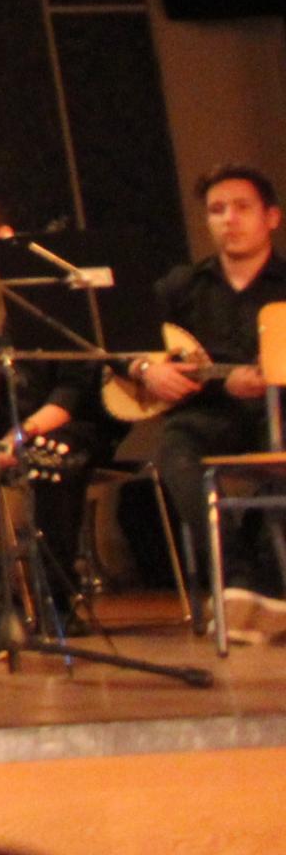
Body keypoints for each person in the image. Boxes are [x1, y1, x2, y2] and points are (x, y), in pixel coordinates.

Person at [133, 165, 286, 637]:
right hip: (207, 414)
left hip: (278, 414)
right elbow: (122, 342)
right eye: (217, 210)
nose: (228, 219)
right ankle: (238, 577)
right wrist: (146, 369)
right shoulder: (182, 286)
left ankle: (263, 583)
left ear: (271, 217)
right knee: (176, 452)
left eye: (242, 208)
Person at [0, 196, 108, 601]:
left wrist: (21, 435)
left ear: (6, 237)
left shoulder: (55, 300)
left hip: (63, 425)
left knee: (51, 463)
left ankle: (58, 601)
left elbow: (71, 391)